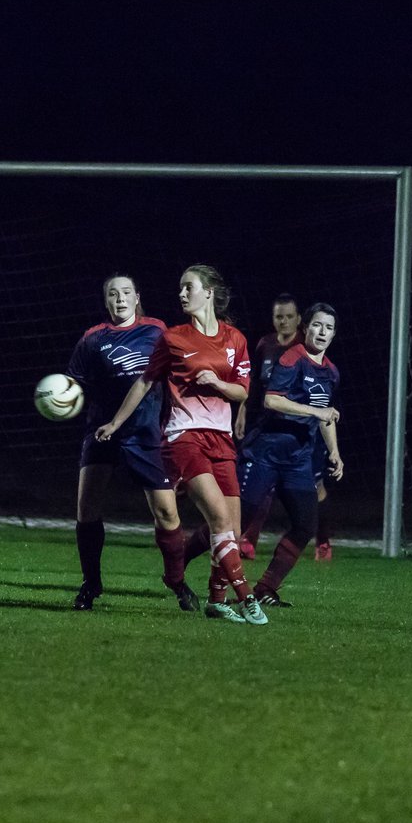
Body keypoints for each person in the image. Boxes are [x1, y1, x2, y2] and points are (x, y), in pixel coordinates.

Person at [96, 264, 267, 625]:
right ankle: (246, 597)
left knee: (232, 530)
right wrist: (115, 422)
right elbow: (143, 383)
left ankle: (216, 600)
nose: (182, 294)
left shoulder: (235, 338)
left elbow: (242, 390)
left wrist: (218, 384)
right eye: (181, 289)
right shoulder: (173, 338)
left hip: (220, 437)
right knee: (219, 517)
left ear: (209, 293)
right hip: (183, 437)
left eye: (189, 288)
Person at [66, 275, 197, 612]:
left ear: (137, 297)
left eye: (126, 293)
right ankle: (90, 584)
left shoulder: (156, 331)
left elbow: (171, 374)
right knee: (87, 509)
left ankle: (178, 581)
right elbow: (74, 386)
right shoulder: (92, 340)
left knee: (167, 513)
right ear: (106, 301)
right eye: (113, 293)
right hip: (101, 431)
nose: (120, 299)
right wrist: (61, 397)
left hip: (145, 433)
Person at [238, 303, 343, 606]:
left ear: (334, 334)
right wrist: (314, 411)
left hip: (298, 459)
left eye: (329, 328)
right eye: (317, 326)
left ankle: (264, 589)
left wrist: (334, 451)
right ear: (306, 328)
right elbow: (272, 400)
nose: (322, 332)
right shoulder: (291, 358)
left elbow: (326, 414)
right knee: (234, 523)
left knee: (305, 525)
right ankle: (184, 565)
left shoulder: (331, 372)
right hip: (266, 453)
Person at [232, 293, 302, 558]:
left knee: (311, 488)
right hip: (263, 422)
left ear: (299, 319)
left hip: (294, 427)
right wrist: (242, 412)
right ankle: (248, 537)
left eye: (288, 317)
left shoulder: (305, 347)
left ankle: (322, 539)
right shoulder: (265, 344)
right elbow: (254, 384)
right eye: (278, 317)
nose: (283, 322)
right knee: (255, 478)